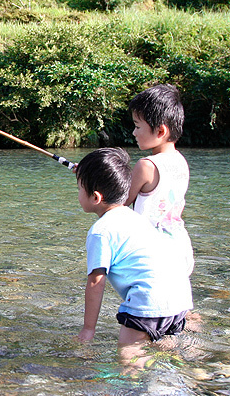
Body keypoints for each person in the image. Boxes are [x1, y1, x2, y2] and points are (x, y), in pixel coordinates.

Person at [75, 147, 193, 346]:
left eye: (79, 188)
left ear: (96, 197)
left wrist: (88, 329)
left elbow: (96, 282)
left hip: (149, 301)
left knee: (129, 359)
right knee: (166, 355)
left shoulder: (100, 231)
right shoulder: (136, 219)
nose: (78, 193)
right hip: (179, 298)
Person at [126, 84, 194, 275]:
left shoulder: (146, 165)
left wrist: (91, 177)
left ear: (161, 131)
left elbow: (119, 202)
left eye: (138, 126)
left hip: (153, 253)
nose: (134, 132)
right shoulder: (181, 162)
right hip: (180, 248)